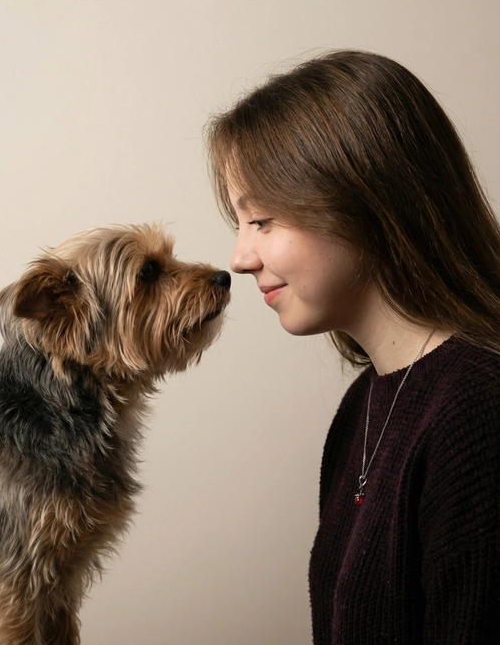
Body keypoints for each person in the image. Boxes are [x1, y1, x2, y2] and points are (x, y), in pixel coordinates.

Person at [204, 50, 500, 644]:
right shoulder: (362, 406)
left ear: (363, 201)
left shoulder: (480, 414)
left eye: (261, 219)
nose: (239, 258)